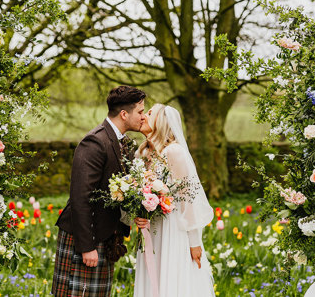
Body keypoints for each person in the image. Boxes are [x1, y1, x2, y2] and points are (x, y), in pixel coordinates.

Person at [52, 86, 146, 297]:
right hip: (85, 238)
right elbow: (81, 197)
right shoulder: (95, 141)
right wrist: (87, 246)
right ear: (124, 114)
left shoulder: (125, 144)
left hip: (105, 237)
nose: (143, 117)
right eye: (140, 112)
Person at [134, 103, 215, 297]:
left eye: (149, 113)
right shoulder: (142, 154)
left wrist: (194, 242)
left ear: (160, 121)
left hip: (173, 230)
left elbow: (188, 199)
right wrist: (138, 214)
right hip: (152, 230)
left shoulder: (174, 152)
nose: (144, 116)